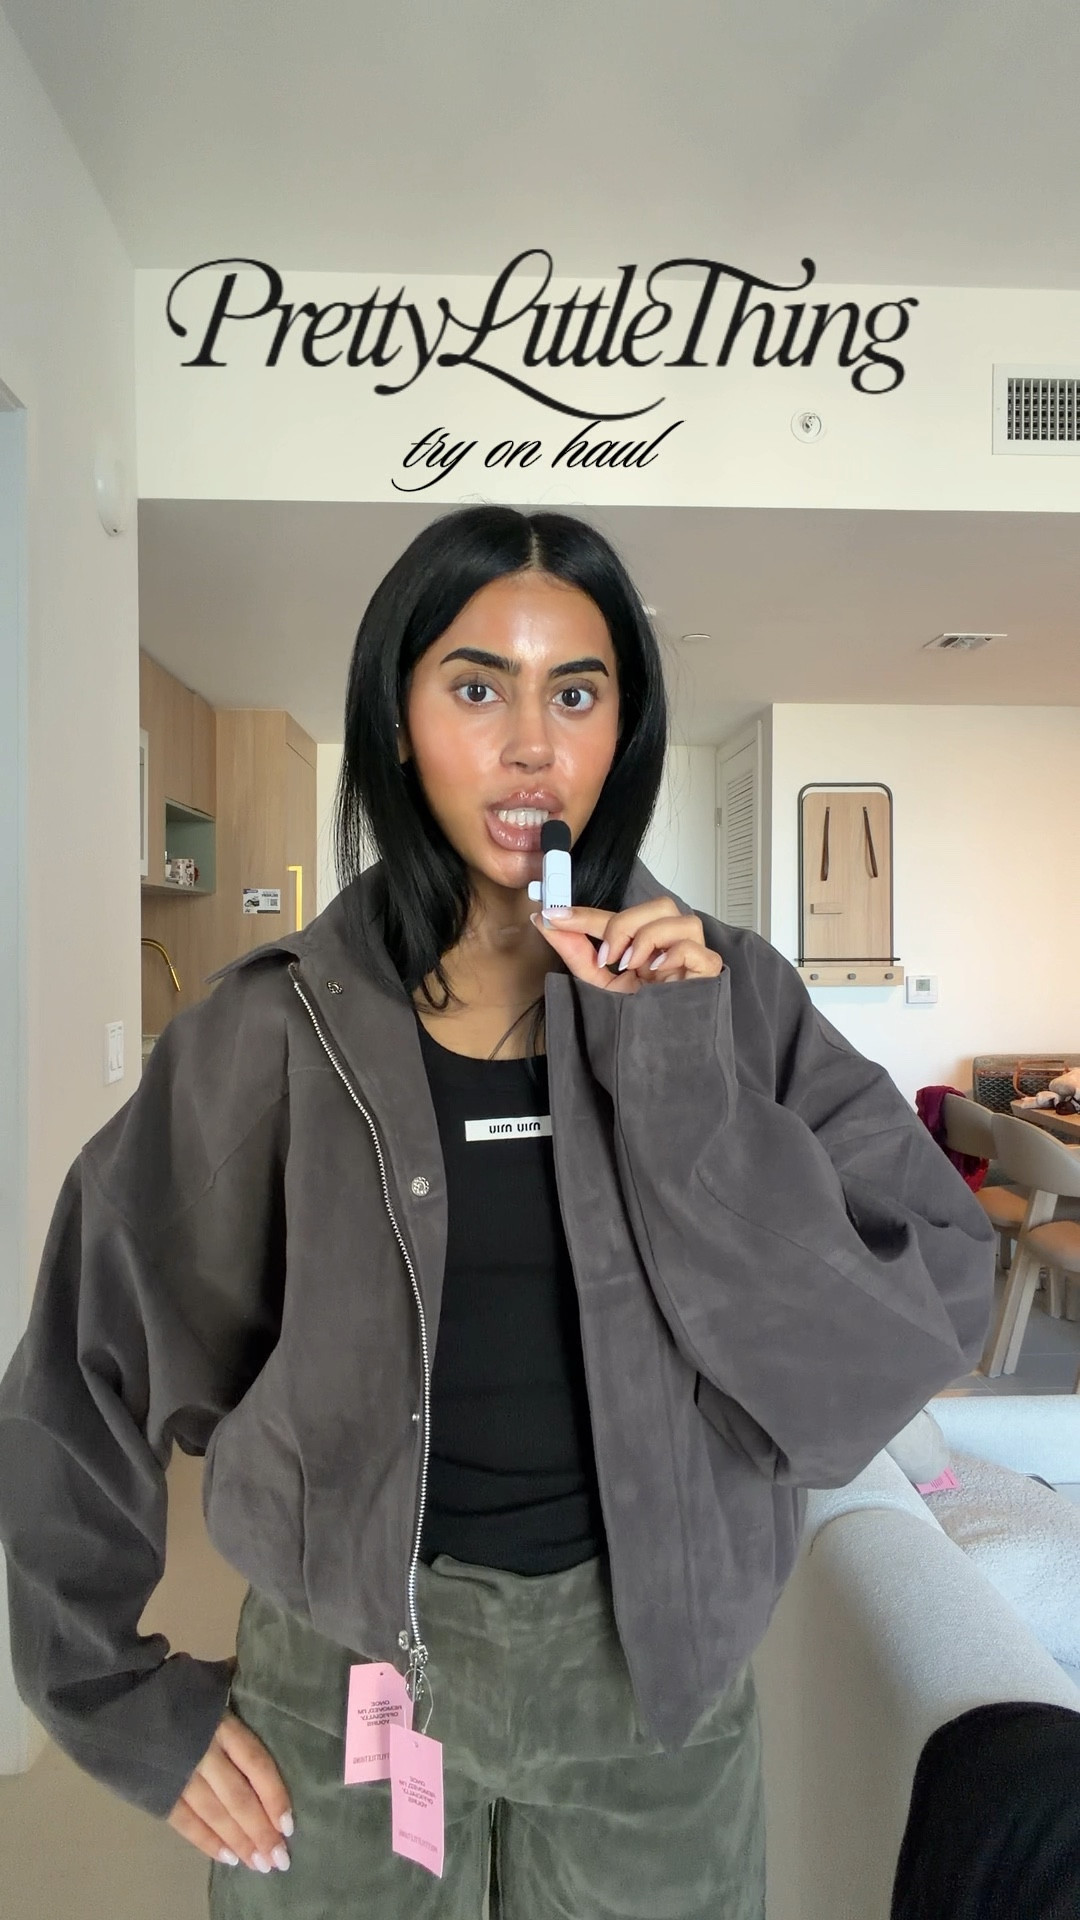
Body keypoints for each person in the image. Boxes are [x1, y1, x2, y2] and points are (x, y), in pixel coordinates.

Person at [0, 505, 997, 1919]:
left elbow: (915, 1321)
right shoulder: (270, 1030)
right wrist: (108, 1692)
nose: (533, 746)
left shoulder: (731, 1001)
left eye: (575, 695)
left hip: (653, 1688)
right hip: (348, 1681)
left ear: (623, 731)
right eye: (478, 688)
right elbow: (81, 1361)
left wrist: (686, 1088)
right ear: (400, 722)